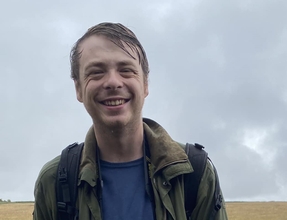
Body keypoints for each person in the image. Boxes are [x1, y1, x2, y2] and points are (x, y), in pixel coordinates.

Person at [33, 22, 228, 220]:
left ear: (145, 84)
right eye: (96, 72)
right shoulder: (54, 180)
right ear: (78, 88)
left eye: (126, 69)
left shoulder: (195, 173)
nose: (113, 82)